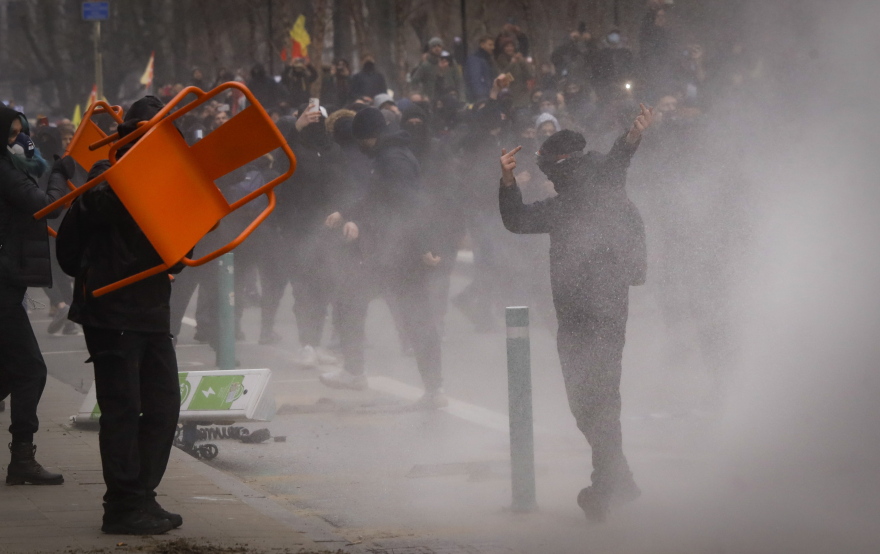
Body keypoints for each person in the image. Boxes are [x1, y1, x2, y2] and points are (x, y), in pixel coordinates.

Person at [497, 104, 654, 522]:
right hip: (583, 314)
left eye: (549, 169)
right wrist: (508, 180)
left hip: (599, 312)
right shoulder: (571, 198)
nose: (548, 178)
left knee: (596, 399)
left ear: (560, 165)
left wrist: (633, 135)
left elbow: (620, 155)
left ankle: (606, 486)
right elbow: (518, 220)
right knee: (591, 401)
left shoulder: (599, 184)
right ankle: (619, 479)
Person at [56, 96, 186, 535]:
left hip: (151, 309)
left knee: (164, 406)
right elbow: (79, 235)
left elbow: (180, 253)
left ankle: (141, 495)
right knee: (123, 410)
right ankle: (123, 506)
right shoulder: (105, 175)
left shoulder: (167, 177)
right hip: (111, 311)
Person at [319, 108, 447, 409]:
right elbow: (378, 198)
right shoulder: (388, 155)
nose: (360, 146)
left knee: (415, 317)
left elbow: (409, 204)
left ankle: (433, 388)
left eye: (361, 140)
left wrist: (424, 245)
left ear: (369, 136)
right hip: (389, 250)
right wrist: (348, 214)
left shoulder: (393, 160)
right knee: (354, 301)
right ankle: (358, 372)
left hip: (401, 254)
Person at [0, 105, 67, 485]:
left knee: (8, 372)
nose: (18, 140)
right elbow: (47, 207)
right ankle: (22, 458)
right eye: (11, 134)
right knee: (30, 370)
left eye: (19, 132)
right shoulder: (4, 170)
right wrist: (58, 174)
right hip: (2, 287)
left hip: (8, 285)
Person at [464, 35, 497, 102]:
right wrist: (481, 97)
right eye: (490, 45)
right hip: (481, 97)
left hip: (489, 94)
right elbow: (475, 79)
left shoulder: (488, 59)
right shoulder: (475, 59)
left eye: (493, 45)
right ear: (482, 45)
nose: (493, 47)